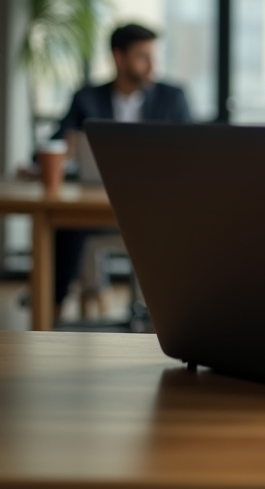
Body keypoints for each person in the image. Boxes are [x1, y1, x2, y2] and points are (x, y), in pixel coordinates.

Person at [50, 23, 191, 316]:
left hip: (156, 210)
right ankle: (51, 309)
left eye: (153, 56)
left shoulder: (172, 98)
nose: (152, 65)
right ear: (119, 57)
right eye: (142, 57)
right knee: (64, 225)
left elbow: (193, 153)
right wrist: (65, 148)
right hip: (96, 209)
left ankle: (171, 315)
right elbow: (57, 143)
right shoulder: (87, 98)